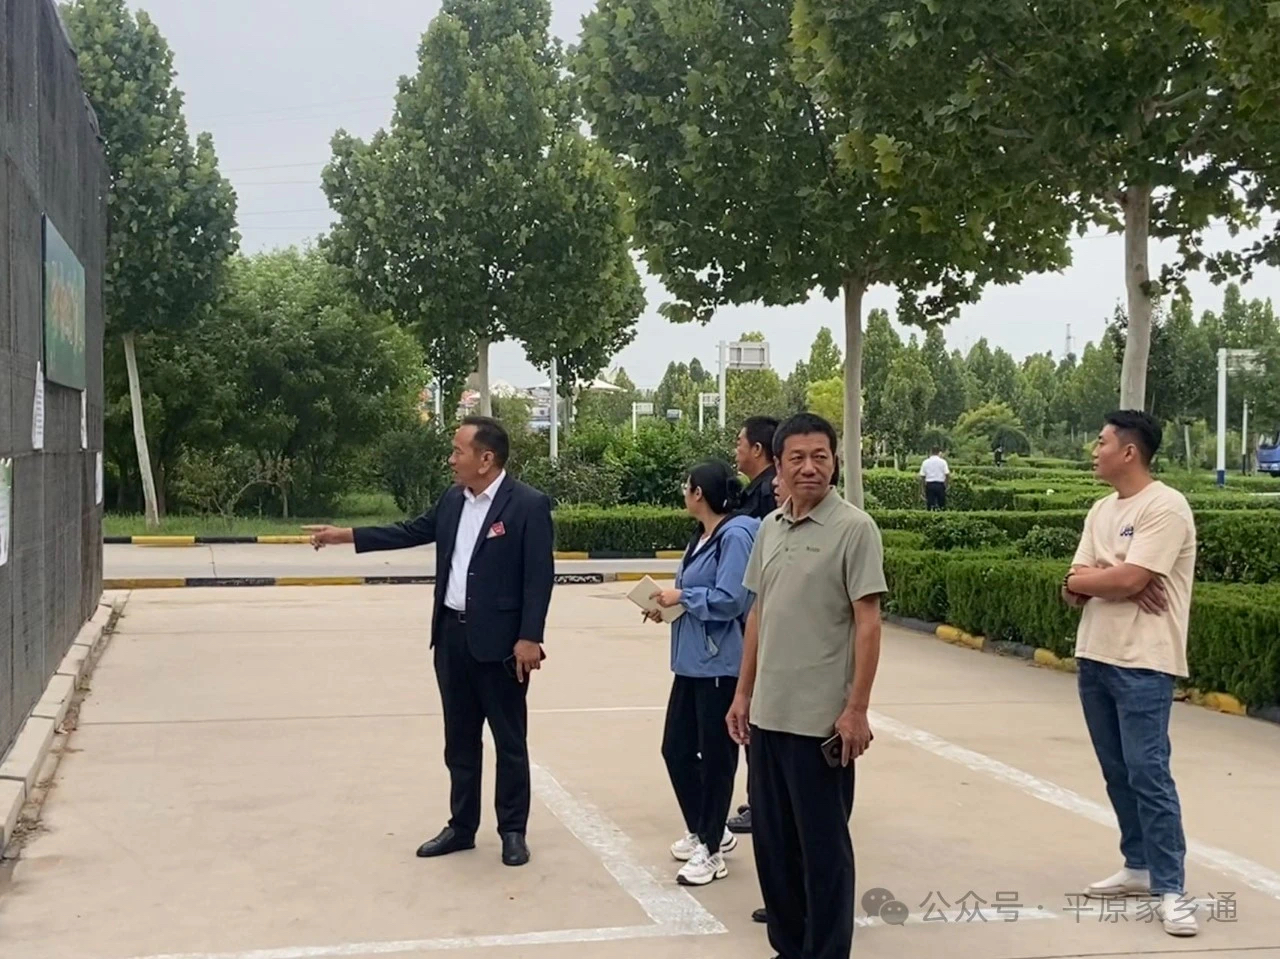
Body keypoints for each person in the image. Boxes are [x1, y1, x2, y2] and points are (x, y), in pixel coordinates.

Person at [304, 416, 554, 869]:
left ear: (486, 458)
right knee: (459, 741)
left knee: (509, 742)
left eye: (458, 451)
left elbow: (539, 577)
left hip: (501, 646)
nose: (451, 459)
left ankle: (512, 831)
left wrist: (530, 638)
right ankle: (462, 827)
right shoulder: (452, 500)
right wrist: (345, 536)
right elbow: (409, 531)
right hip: (452, 637)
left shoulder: (527, 505)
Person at [728, 412, 887, 959]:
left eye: (820, 456)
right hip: (767, 717)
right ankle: (788, 948)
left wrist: (856, 709)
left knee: (823, 853)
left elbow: (868, 622)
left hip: (821, 723)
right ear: (778, 464)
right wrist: (743, 693)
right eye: (796, 458)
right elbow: (758, 614)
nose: (809, 467)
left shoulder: (854, 529)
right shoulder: (769, 527)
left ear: (835, 461)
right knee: (774, 849)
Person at [1062, 410, 1199, 937]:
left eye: (1101, 442)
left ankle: (1171, 888)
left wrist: (1109, 578)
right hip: (1095, 656)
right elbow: (1073, 584)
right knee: (1117, 770)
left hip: (1144, 660)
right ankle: (1137, 864)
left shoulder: (1166, 506)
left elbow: (1130, 578)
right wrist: (1106, 579)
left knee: (1148, 772)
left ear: (1129, 452)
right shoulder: (1101, 509)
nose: (1094, 451)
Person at [643, 461, 760, 886]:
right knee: (675, 749)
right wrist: (668, 608)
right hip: (692, 663)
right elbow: (698, 594)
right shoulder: (702, 536)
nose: (683, 492)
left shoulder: (736, 535)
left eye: (687, 486)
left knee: (716, 759)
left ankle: (711, 849)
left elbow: (732, 599)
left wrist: (683, 596)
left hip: (721, 665)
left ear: (699, 494)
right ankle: (708, 829)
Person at [727, 415, 777, 837]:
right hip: (757, 617)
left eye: (740, 442)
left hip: (763, 620)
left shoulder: (768, 496)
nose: (737, 449)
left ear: (758, 449)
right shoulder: (756, 491)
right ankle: (761, 800)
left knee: (760, 720)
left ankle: (764, 804)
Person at [736, 416, 779, 521]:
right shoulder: (758, 490)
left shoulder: (769, 492)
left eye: (739, 444)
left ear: (757, 449)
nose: (736, 451)